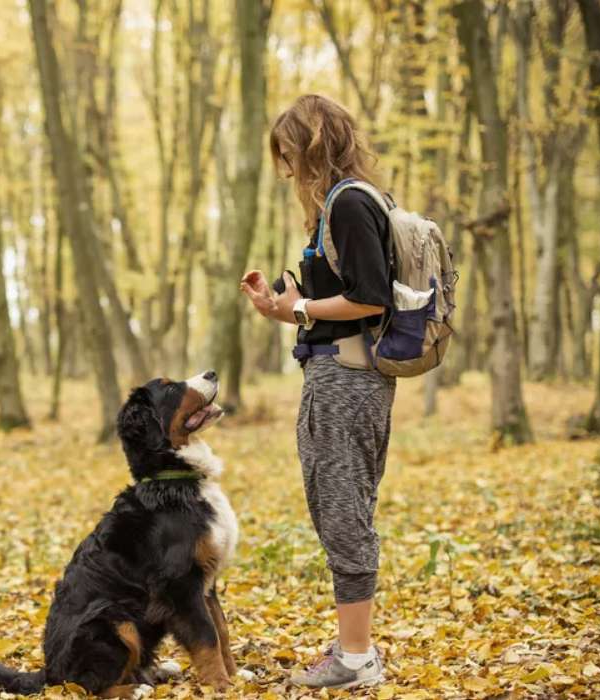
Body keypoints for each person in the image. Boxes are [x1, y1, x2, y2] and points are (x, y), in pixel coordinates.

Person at [240, 94, 396, 690]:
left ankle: (356, 659)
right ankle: (353, 648)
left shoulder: (350, 204)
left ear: (313, 147)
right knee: (341, 509)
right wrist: (282, 308)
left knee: (342, 513)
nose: (286, 171)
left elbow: (370, 297)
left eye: (289, 156)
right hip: (336, 375)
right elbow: (330, 306)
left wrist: (300, 306)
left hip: (348, 383)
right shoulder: (338, 207)